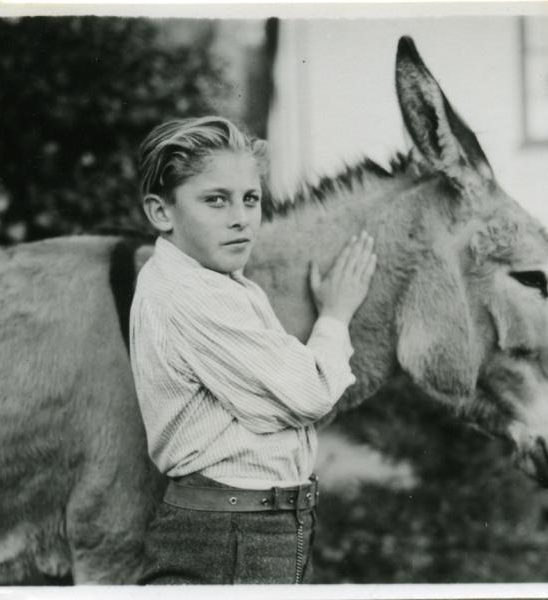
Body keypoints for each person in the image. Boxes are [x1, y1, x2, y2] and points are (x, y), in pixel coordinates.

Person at [129, 116, 376, 584]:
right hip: (232, 533)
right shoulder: (190, 293)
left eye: (251, 198)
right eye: (215, 200)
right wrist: (336, 316)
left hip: (254, 525)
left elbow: (280, 407)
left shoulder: (215, 284)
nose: (241, 217)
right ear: (162, 213)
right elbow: (309, 392)